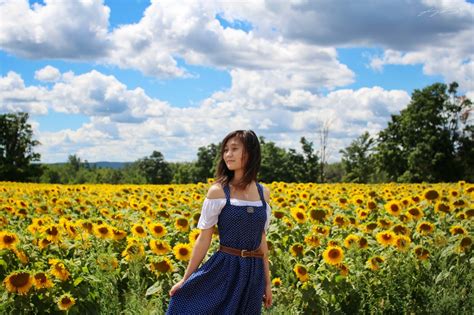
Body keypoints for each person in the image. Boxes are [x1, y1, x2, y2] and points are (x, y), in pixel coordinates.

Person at [166, 130, 273, 314]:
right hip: (225, 268)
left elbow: (261, 239)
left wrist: (267, 282)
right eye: (225, 150)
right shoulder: (218, 191)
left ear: (250, 153)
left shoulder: (264, 193)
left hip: (253, 273)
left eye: (234, 149)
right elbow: (204, 238)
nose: (228, 154)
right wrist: (186, 279)